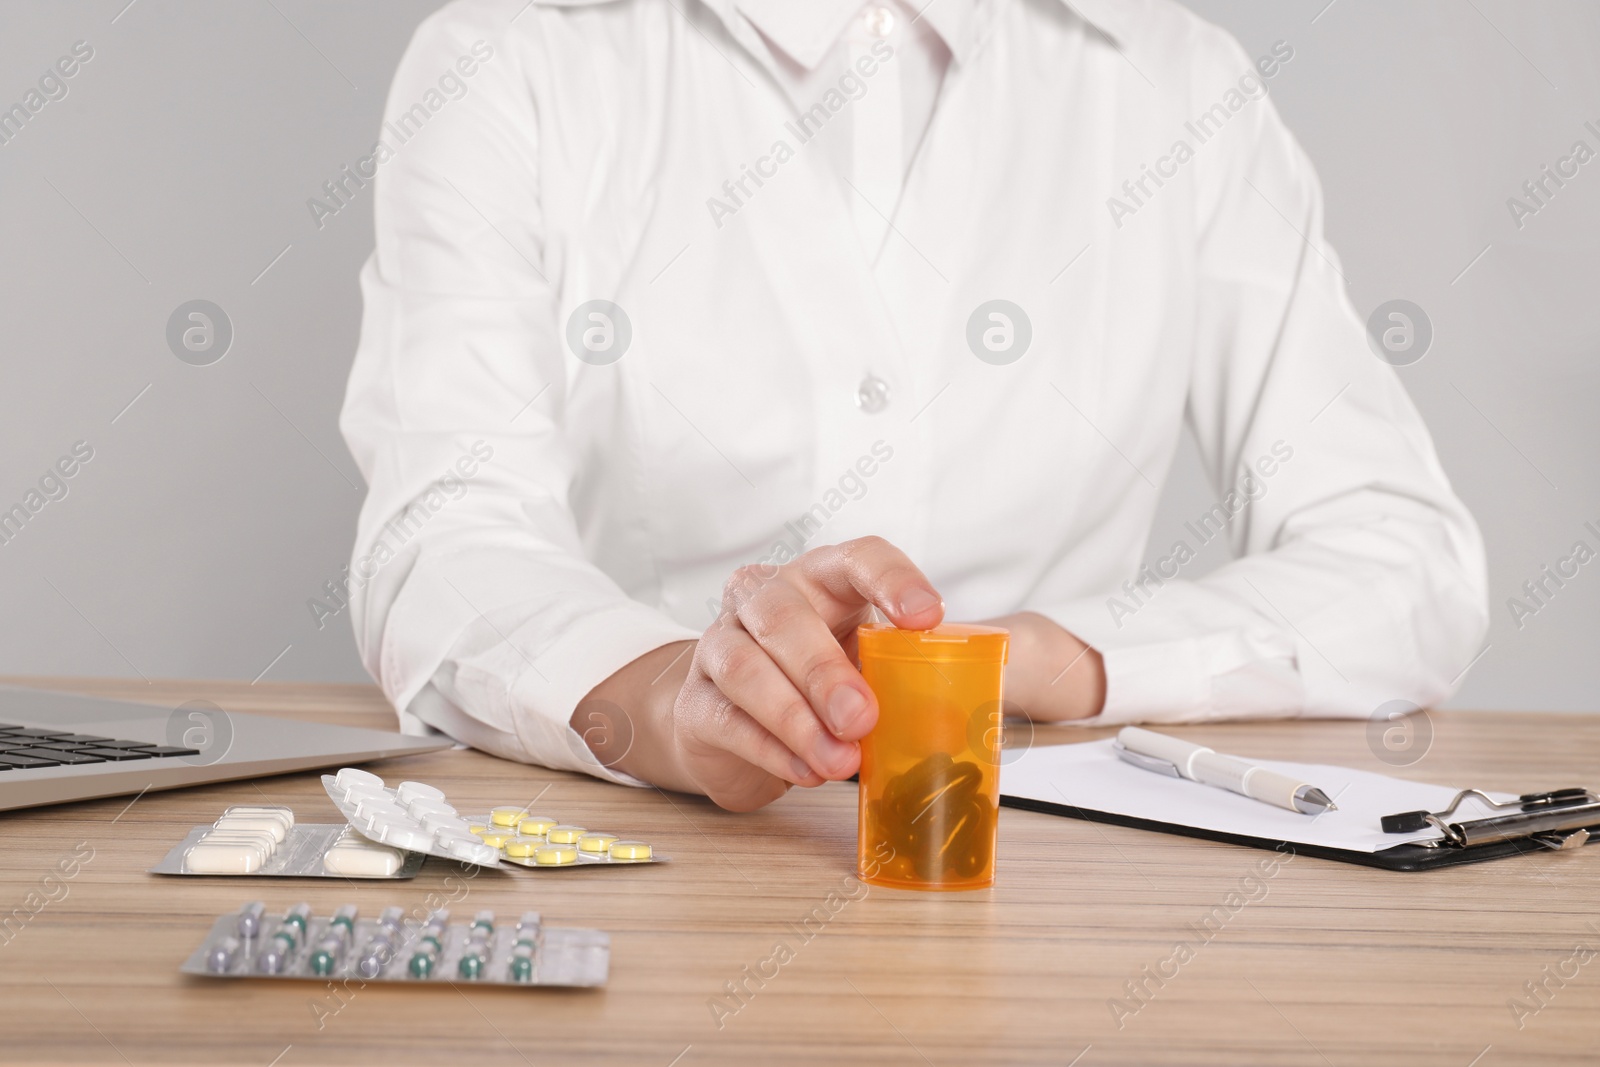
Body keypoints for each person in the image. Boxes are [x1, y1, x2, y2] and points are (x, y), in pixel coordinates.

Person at [340, 0, 1488, 812]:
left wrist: (1045, 659)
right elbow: (439, 544)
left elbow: (1403, 566)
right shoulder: (512, 57)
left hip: (1065, 878)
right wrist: (679, 701)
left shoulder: (1176, 80)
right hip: (650, 849)